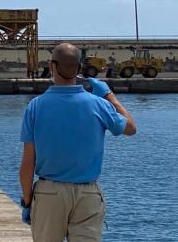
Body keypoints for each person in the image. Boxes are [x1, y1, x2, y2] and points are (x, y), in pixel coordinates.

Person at [19, 42, 136, 241]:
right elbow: (131, 128)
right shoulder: (99, 105)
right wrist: (109, 96)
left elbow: (27, 163)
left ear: (52, 65)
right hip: (87, 193)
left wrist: (28, 201)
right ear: (80, 68)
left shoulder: (35, 107)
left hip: (49, 193)